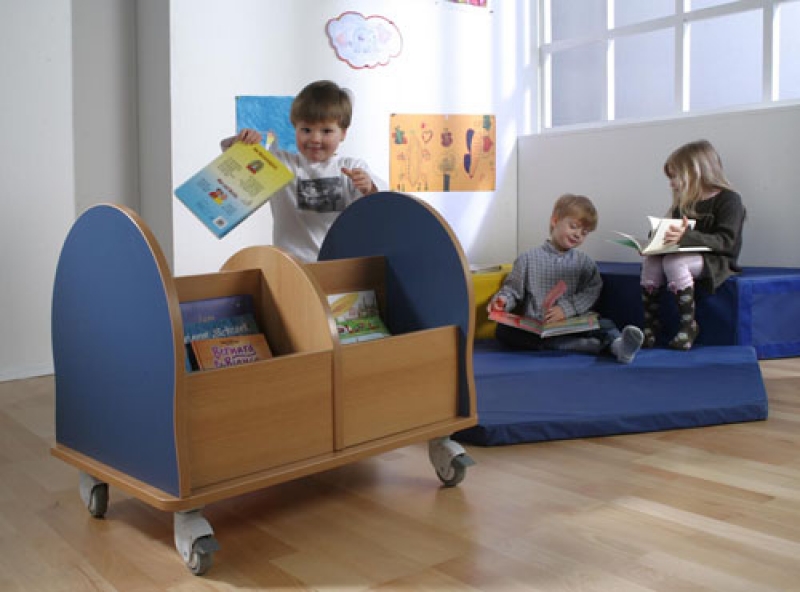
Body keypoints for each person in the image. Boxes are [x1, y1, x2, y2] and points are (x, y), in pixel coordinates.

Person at [221, 80, 383, 262]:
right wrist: (243, 142)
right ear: (295, 128)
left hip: (337, 265)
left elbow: (378, 206)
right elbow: (237, 164)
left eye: (326, 131)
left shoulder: (352, 168)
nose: (315, 138)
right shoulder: (280, 164)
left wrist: (369, 188)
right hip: (290, 266)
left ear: (343, 133)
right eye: (306, 130)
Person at [488, 193, 644, 364]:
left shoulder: (585, 263)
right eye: (573, 227)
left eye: (584, 233)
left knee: (605, 324)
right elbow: (512, 290)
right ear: (555, 221)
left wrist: (566, 309)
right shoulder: (526, 259)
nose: (578, 235)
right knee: (503, 331)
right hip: (536, 326)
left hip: (572, 324)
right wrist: (502, 301)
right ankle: (577, 345)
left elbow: (592, 292)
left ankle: (619, 347)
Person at [640, 139, 745, 350]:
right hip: (689, 255)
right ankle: (651, 324)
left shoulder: (729, 199)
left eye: (674, 176)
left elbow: (726, 241)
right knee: (651, 261)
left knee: (674, 262)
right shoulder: (685, 203)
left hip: (718, 260)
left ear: (696, 172)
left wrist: (686, 237)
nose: (671, 184)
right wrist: (656, 239)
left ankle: (688, 325)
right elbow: (673, 232)